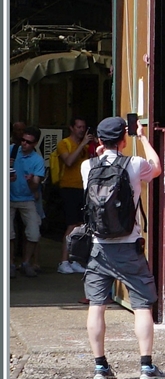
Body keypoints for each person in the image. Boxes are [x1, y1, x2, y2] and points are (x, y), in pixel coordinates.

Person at [81, 116, 165, 379]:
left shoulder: (87, 166)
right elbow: (157, 167)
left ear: (99, 140)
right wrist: (142, 137)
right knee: (142, 306)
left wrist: (99, 153)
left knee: (96, 306)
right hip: (129, 246)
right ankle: (146, 367)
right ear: (123, 138)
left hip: (98, 248)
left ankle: (100, 367)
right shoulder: (134, 164)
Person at [52, 117, 94, 274]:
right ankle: (63, 261)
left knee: (80, 226)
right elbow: (69, 161)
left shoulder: (86, 145)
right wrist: (82, 144)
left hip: (83, 188)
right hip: (68, 188)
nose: (81, 130)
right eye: (78, 127)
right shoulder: (64, 144)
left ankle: (74, 259)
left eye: (83, 127)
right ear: (71, 128)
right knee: (71, 225)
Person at [9, 127, 46, 276]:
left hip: (27, 198)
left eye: (28, 142)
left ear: (35, 144)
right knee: (8, 234)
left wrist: (31, 181)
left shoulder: (37, 160)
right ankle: (10, 264)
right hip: (8, 197)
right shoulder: (11, 150)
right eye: (22, 140)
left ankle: (25, 262)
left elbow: (35, 185)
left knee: (33, 233)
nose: (24, 144)